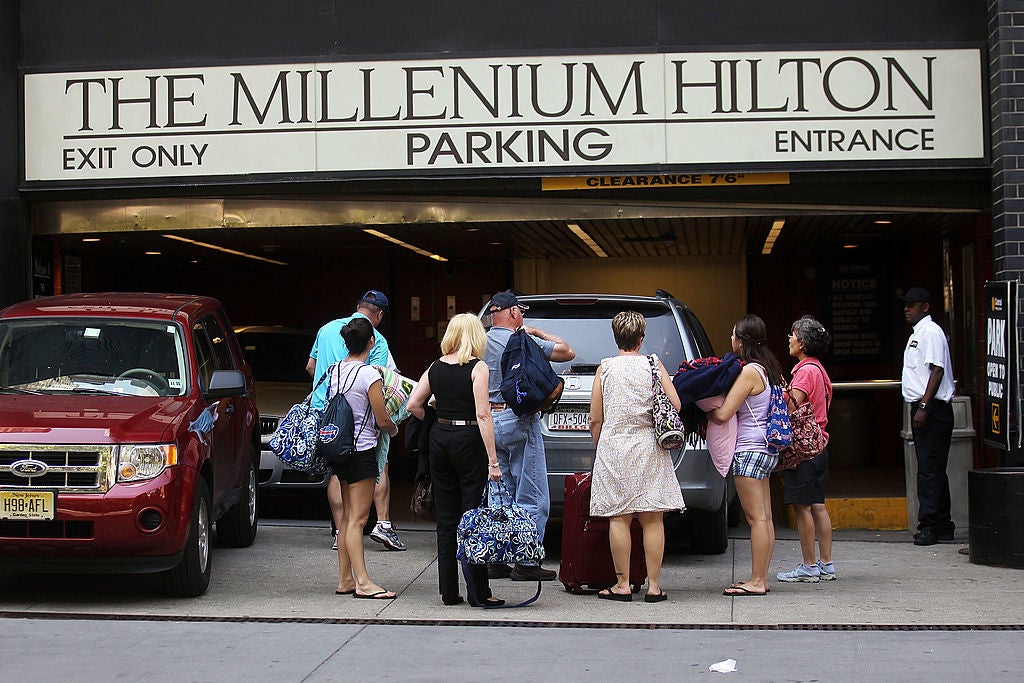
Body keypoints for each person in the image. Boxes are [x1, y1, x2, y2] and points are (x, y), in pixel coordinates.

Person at [407, 313, 505, 607]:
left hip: (440, 439)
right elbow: (483, 414)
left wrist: (435, 420)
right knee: (472, 516)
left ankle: (449, 591)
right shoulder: (478, 368)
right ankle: (479, 593)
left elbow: (413, 404)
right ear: (476, 337)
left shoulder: (435, 367)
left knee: (446, 519)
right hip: (469, 441)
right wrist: (493, 461)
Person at [588, 311, 685, 603]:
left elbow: (595, 418)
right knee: (653, 519)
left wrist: (600, 445)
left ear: (616, 337)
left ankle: (623, 584)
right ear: (641, 339)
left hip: (614, 446)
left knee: (619, 518)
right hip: (650, 447)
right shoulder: (653, 364)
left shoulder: (605, 369)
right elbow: (676, 404)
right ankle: (654, 586)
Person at [484, 290, 575, 581]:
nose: (523, 316)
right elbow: (566, 350)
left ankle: (496, 558)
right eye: (521, 311)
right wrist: (534, 330)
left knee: (499, 491)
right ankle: (526, 561)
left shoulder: (477, 342)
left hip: (489, 421)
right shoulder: (522, 339)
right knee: (532, 492)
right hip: (518, 418)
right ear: (512, 313)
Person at [307, 290, 406, 552]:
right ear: (380, 314)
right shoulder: (377, 340)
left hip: (326, 412)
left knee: (336, 471)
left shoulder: (326, 329)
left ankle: (340, 530)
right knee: (377, 465)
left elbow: (310, 367)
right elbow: (379, 379)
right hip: (360, 416)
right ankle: (381, 524)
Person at [709, 314, 784, 597]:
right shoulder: (768, 368)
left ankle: (755, 581)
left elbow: (725, 413)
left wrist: (705, 408)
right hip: (765, 450)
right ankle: (761, 578)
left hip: (749, 450)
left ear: (742, 341)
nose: (731, 340)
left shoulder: (750, 372)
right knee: (765, 518)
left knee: (756, 520)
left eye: (733, 335)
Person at [324, 317, 399, 599]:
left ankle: (345, 579)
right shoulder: (370, 375)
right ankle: (364, 583)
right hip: (362, 450)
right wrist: (393, 427)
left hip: (339, 450)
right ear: (371, 342)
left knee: (346, 520)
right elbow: (381, 418)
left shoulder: (335, 370)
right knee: (358, 519)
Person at [776, 316, 836, 583]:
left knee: (803, 509)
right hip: (820, 443)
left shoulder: (804, 372)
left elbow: (793, 407)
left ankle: (809, 565)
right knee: (818, 505)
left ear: (803, 343)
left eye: (793, 335)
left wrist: (780, 391)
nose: (789, 339)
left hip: (803, 450)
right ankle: (826, 563)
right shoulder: (820, 370)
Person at [900, 287, 956, 547]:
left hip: (932, 409)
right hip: (926, 407)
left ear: (926, 307)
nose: (907, 309)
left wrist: (923, 406)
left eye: (912, 305)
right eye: (906, 305)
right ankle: (943, 524)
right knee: (933, 468)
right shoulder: (919, 334)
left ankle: (930, 526)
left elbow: (937, 370)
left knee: (928, 471)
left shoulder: (930, 332)